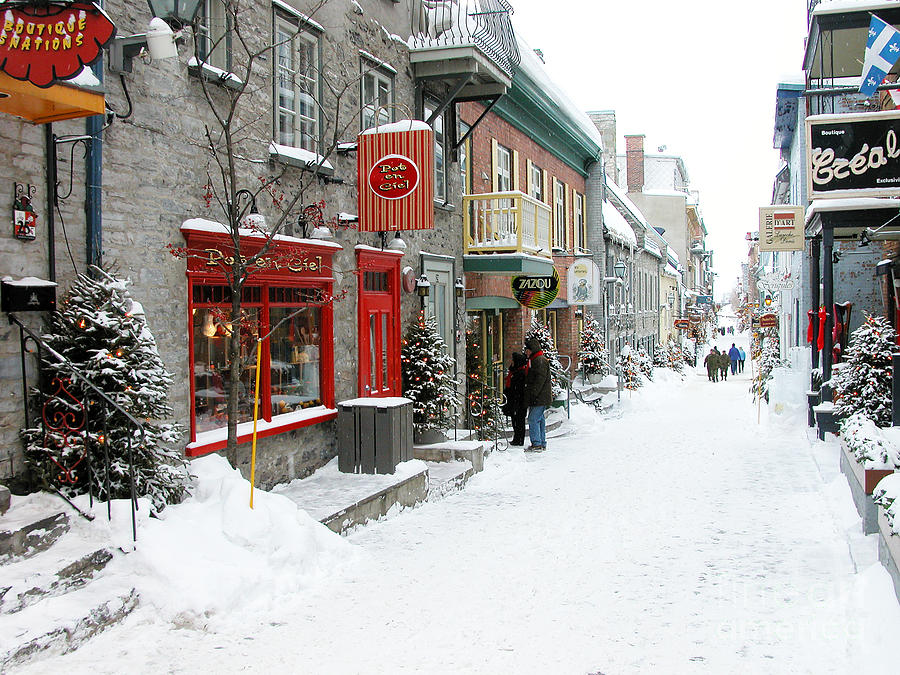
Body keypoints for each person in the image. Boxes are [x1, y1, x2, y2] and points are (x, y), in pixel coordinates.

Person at [524, 337, 552, 452]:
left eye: (527, 349)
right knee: (539, 419)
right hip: (540, 396)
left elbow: (539, 380)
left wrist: (533, 394)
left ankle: (537, 443)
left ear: (532, 350)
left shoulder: (539, 361)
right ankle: (541, 442)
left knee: (533, 419)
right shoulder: (536, 360)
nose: (526, 352)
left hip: (539, 397)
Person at [502, 352, 528, 446]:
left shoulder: (520, 374)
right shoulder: (513, 372)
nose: (511, 362)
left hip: (518, 401)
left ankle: (519, 439)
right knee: (515, 420)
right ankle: (517, 438)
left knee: (519, 421)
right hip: (513, 400)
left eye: (513, 360)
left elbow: (518, 389)